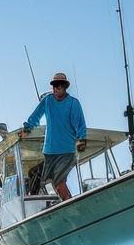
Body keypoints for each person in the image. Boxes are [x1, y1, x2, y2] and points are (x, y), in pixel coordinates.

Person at [20, 72, 87, 201]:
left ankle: (71, 205)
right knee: (45, 181)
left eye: (59, 85)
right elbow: (36, 116)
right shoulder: (47, 101)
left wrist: (81, 140)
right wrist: (27, 129)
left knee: (59, 181)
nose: (56, 88)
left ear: (65, 87)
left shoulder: (73, 103)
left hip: (67, 151)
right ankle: (57, 205)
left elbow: (80, 125)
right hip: (49, 151)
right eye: (54, 85)